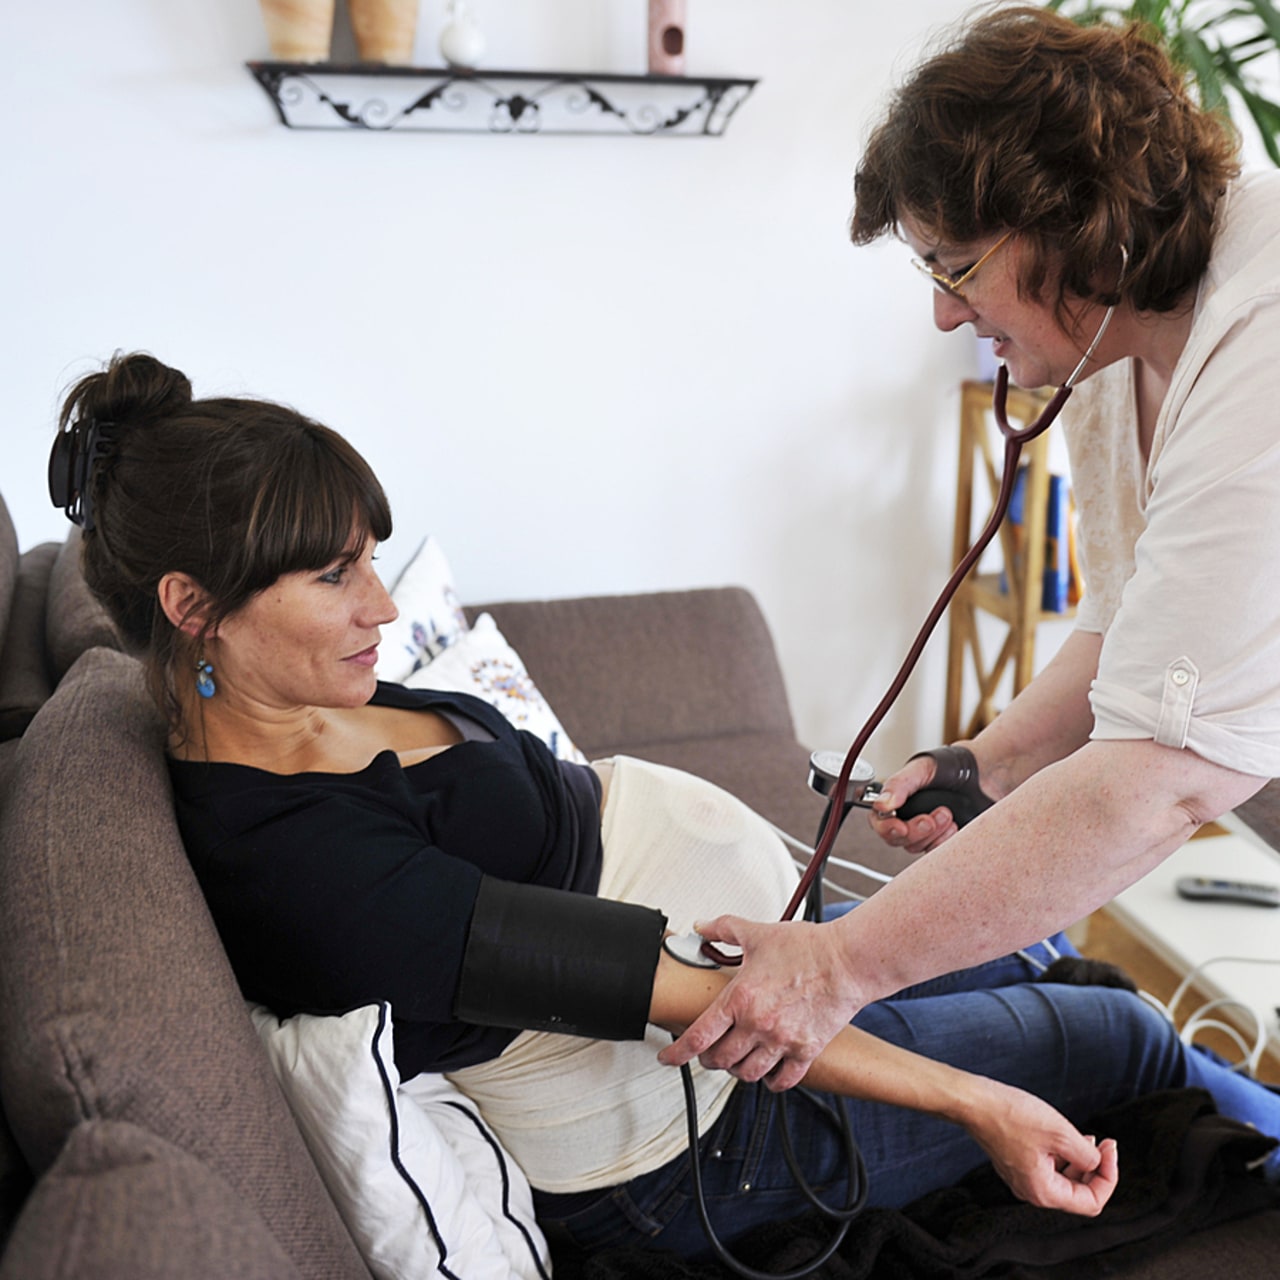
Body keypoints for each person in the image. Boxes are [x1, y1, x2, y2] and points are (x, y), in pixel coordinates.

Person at [47, 349, 1280, 1265]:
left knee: (1070, 974)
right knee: (1111, 1039)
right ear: (191, 603)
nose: (381, 602)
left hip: (740, 972)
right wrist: (981, 1105)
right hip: (699, 1122)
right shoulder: (301, 862)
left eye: (374, 553)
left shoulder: (304, 691)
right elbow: (696, 998)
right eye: (334, 574)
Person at [662, 4, 1280, 1099]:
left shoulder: (1259, 333)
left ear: (1072, 223)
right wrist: (988, 761)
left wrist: (838, 967)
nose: (946, 317)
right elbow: (1132, 618)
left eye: (954, 268)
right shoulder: (1104, 346)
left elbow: (1161, 777)